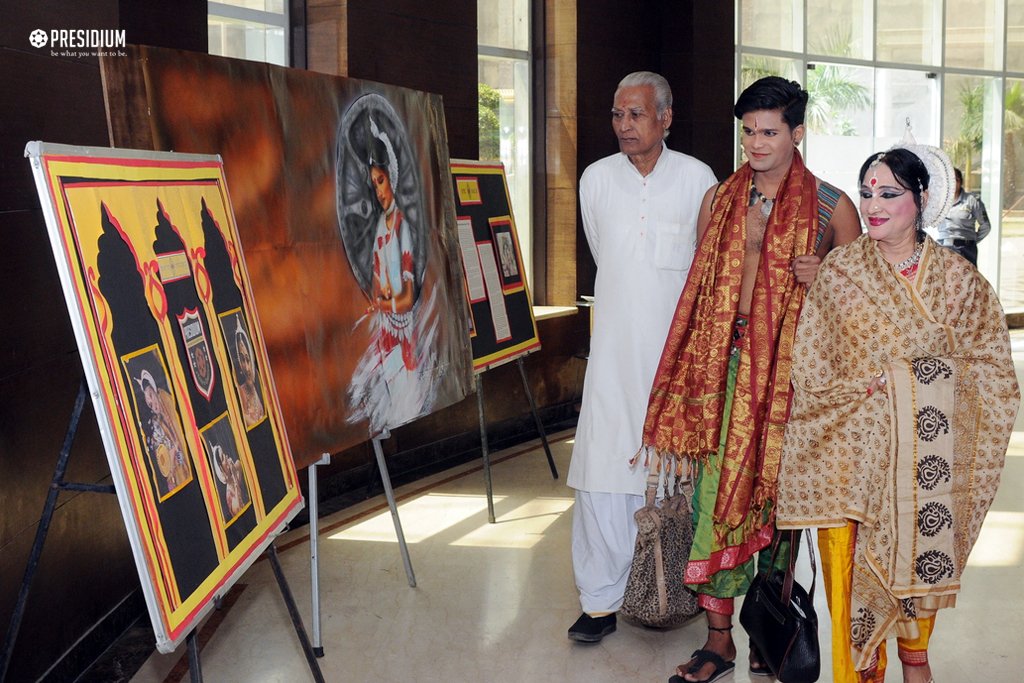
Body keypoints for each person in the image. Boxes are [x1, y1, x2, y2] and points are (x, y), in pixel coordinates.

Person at [640, 76, 861, 682]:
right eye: (748, 133)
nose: (756, 144)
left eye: (769, 132)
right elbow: (704, 288)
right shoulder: (720, 199)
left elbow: (861, 310)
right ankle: (719, 642)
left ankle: (768, 628)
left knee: (778, 503)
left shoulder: (830, 208)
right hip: (724, 367)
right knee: (714, 500)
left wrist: (828, 282)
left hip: (791, 378)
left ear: (797, 132)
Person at [777, 144, 1019, 683]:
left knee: (914, 565)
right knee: (845, 590)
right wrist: (867, 389)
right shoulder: (839, 272)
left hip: (920, 465)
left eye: (889, 194)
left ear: (922, 198)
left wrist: (910, 382)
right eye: (866, 193)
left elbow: (994, 373)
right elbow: (810, 369)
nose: (873, 206)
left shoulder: (958, 282)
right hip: (846, 460)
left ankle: (915, 664)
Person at [566, 71, 716, 643]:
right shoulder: (596, 179)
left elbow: (703, 266)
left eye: (636, 114)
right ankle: (599, 601)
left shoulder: (698, 177)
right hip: (611, 355)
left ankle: (669, 584)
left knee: (671, 472)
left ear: (666, 117)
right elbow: (607, 257)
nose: (624, 126)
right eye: (617, 115)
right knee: (602, 468)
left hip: (673, 356)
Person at [137, 368, 191, 495]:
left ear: (154, 389)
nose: (153, 405)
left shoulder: (169, 400)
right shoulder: (158, 425)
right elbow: (165, 461)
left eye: (151, 395)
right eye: (150, 405)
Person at [936, 167, 991, 266]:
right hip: (943, 247)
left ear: (960, 182)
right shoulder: (939, 202)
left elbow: (986, 226)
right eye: (949, 180)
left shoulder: (972, 200)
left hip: (965, 249)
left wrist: (971, 241)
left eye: (955, 180)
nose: (952, 183)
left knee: (967, 279)